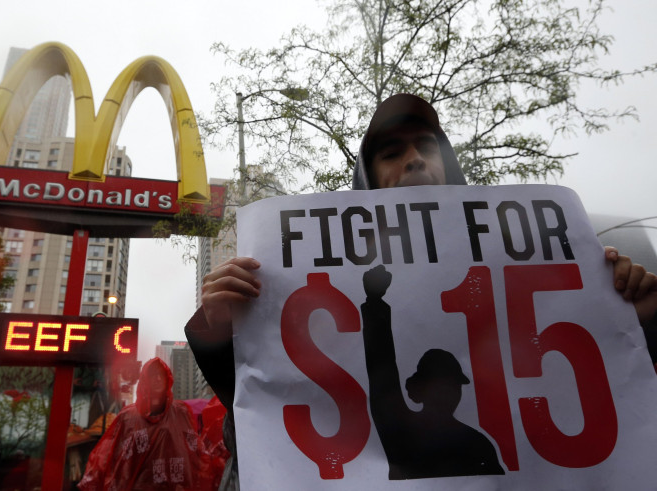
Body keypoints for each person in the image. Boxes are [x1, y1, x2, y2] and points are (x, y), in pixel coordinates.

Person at [186, 94, 657, 490]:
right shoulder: (413, 426)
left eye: (426, 146)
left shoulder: (479, 442)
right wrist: (221, 331)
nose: (414, 158)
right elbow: (261, 426)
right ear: (367, 180)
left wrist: (634, 319)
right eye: (391, 153)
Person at [361, 264, 504, 479]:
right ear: (421, 388)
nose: (449, 393)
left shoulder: (478, 444)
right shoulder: (401, 431)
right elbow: (382, 369)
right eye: (441, 386)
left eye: (453, 386)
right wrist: (374, 303)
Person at [77, 358, 204, 491]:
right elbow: (110, 456)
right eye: (153, 375)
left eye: (161, 375)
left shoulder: (181, 412)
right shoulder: (128, 417)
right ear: (145, 381)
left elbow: (196, 454)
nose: (158, 379)